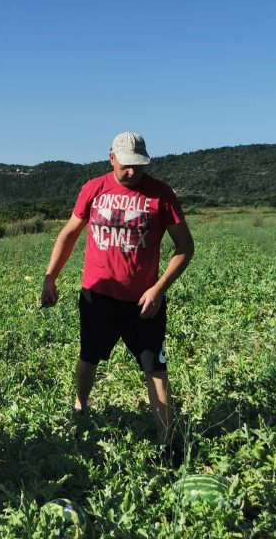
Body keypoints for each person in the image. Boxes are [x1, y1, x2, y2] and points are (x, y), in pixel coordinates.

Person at [41, 131, 193, 456]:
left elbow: (185, 247)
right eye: (126, 165)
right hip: (98, 298)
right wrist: (50, 277)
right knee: (88, 357)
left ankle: (167, 440)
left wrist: (158, 288)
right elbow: (69, 234)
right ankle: (80, 409)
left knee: (155, 367)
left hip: (144, 303)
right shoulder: (93, 189)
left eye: (138, 166)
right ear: (112, 157)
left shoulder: (161, 195)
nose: (131, 172)